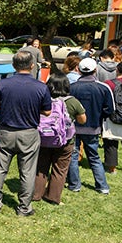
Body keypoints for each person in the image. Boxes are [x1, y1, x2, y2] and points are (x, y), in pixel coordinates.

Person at [0, 51, 52, 216]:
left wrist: (5, 105)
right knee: (27, 172)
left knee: (0, 169)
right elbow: (47, 111)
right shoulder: (41, 86)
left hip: (5, 132)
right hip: (28, 133)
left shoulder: (3, 84)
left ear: (13, 66)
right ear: (32, 65)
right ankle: (24, 207)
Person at [34, 75, 85, 205]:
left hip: (43, 138)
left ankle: (35, 194)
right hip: (65, 141)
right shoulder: (72, 101)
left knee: (40, 167)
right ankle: (53, 197)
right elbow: (82, 120)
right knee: (60, 169)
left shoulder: (41, 98)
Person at [68, 57, 115, 194]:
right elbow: (110, 109)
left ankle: (74, 184)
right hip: (93, 127)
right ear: (95, 70)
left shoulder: (72, 87)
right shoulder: (103, 87)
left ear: (78, 70)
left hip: (74, 127)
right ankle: (102, 186)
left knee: (73, 156)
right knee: (94, 157)